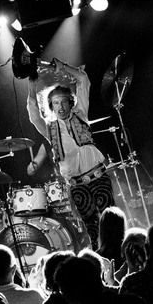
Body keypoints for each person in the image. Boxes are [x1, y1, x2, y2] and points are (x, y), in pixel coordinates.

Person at [25, 59, 115, 250]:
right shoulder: (50, 129)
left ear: (70, 102)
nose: (60, 107)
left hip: (98, 177)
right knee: (93, 230)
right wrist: (32, 86)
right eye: (56, 103)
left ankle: (121, 257)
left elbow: (83, 79)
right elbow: (33, 115)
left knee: (111, 224)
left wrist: (61, 67)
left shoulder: (80, 114)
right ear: (51, 106)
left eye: (64, 102)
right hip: (77, 186)